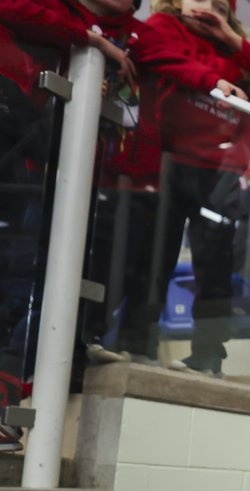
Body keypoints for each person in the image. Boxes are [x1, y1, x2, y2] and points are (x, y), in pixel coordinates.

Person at [128, 0, 250, 376]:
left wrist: (233, 41)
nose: (208, 4)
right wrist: (212, 81)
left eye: (220, 2)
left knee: (216, 271)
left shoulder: (237, 49)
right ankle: (136, 343)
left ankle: (208, 356)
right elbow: (148, 52)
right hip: (167, 162)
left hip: (219, 172)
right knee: (155, 260)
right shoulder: (163, 26)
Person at [0, 0, 141, 449]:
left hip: (31, 164)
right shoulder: (77, 25)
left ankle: (5, 411)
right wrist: (93, 42)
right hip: (17, 142)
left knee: (21, 284)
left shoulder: (96, 32)